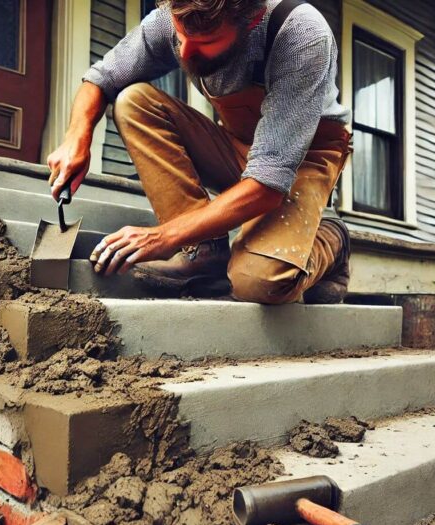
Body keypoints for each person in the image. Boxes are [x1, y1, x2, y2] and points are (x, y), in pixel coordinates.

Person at [46, 0, 353, 304]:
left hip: (304, 159)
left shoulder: (301, 35)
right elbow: (102, 78)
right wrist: (77, 136)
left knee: (258, 282)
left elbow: (267, 184)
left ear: (253, 20)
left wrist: (163, 237)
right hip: (239, 143)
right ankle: (203, 252)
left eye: (205, 42)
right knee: (132, 101)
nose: (184, 52)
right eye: (180, 36)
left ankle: (332, 240)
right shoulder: (171, 18)